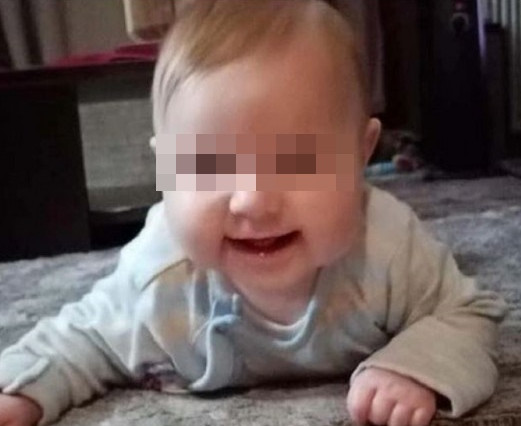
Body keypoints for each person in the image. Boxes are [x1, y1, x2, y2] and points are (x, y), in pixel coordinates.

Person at [0, 1, 507, 425]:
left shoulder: (388, 248)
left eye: (297, 161)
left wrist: (414, 366)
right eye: (209, 166)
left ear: (361, 153)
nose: (254, 202)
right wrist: (21, 393)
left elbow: (467, 314)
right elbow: (79, 342)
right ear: (165, 171)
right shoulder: (157, 280)